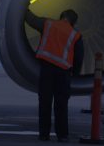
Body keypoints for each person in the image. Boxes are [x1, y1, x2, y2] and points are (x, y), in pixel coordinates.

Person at [25, 9, 84, 142]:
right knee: (61, 105)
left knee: (45, 103)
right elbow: (79, 57)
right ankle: (62, 135)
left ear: (61, 16)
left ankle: (44, 134)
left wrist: (25, 5)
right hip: (63, 73)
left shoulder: (48, 24)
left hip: (47, 70)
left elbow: (31, 19)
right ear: (73, 23)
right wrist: (75, 74)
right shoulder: (75, 35)